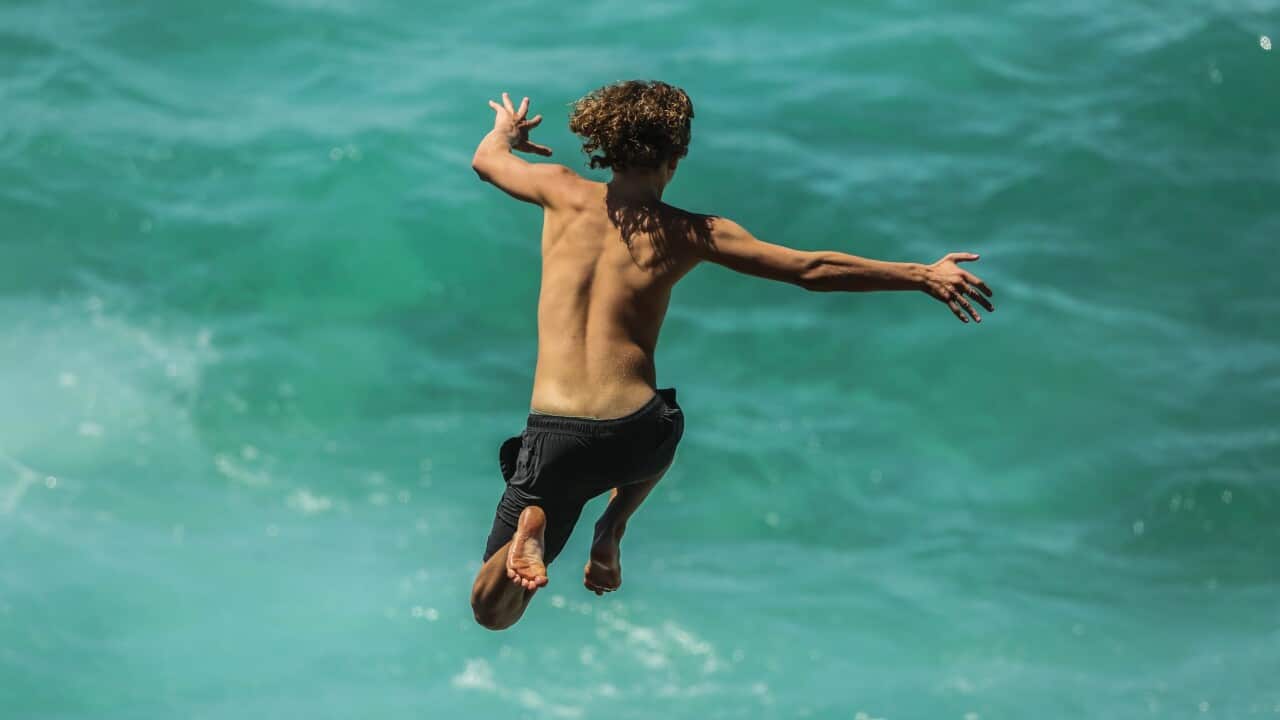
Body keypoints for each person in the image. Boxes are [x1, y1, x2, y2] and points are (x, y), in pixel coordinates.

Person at [468, 81, 994, 630]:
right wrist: (922, 275)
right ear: (676, 157)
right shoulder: (690, 232)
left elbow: (486, 159)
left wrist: (508, 131)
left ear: (605, 142)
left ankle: (533, 526)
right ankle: (613, 526)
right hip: (633, 436)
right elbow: (810, 270)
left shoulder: (558, 188)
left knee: (493, 611)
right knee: (664, 423)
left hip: (555, 434)